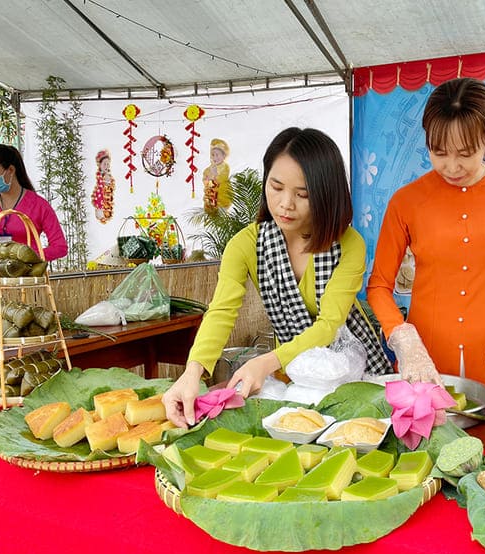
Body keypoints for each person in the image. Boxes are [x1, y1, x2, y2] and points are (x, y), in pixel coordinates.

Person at [163, 127, 392, 428]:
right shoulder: (245, 245)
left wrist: (266, 362)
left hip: (355, 367)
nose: (285, 204)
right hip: (297, 367)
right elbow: (221, 312)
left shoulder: (349, 244)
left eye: (303, 194)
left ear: (327, 194)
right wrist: (192, 373)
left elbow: (328, 325)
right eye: (276, 186)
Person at [367, 77, 485, 389]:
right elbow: (379, 286)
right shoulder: (406, 201)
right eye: (439, 152)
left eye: (465, 153)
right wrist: (403, 338)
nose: (451, 166)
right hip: (425, 364)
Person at [0, 144, 68, 261]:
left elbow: (60, 247)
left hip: (26, 276)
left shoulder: (38, 205)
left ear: (11, 170)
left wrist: (30, 256)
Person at [202, 138, 232, 211]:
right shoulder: (207, 170)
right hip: (210, 199)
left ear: (224, 156)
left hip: (222, 198)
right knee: (210, 217)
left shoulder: (225, 167)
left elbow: (222, 179)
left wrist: (214, 175)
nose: (215, 157)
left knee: (222, 216)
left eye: (217, 155)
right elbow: (205, 181)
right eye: (213, 155)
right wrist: (208, 179)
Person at [91, 149, 115, 224]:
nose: (106, 166)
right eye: (104, 164)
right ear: (99, 164)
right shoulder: (98, 176)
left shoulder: (107, 176)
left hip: (105, 202)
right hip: (99, 201)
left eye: (108, 164)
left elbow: (109, 188)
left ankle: (105, 215)